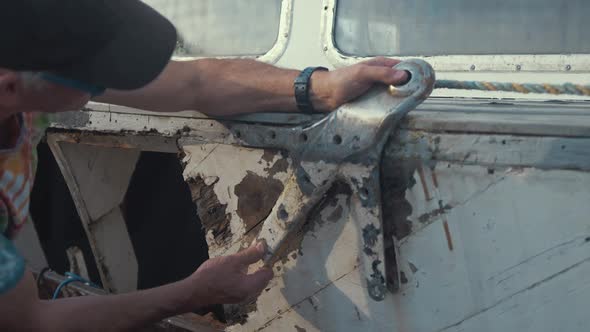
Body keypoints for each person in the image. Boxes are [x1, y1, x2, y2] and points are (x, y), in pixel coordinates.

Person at [0, 0, 408, 330]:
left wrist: (320, 88)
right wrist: (193, 293)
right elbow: (33, 322)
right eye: (90, 77)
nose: (105, 83)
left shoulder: (26, 77)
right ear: (10, 86)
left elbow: (195, 83)